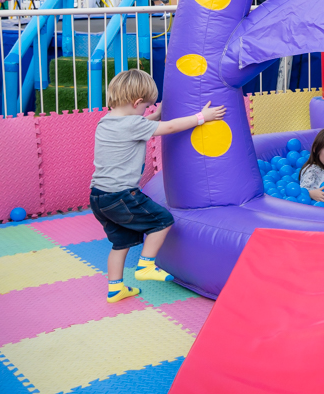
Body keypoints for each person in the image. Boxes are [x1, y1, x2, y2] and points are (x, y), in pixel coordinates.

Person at [91, 69, 225, 303]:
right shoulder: (134, 125)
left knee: (120, 243)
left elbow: (138, 125)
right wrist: (202, 117)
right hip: (122, 195)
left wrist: (155, 114)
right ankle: (146, 265)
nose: (146, 112)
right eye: (145, 107)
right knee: (162, 220)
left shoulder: (106, 122)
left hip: (99, 197)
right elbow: (170, 128)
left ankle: (115, 288)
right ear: (137, 102)